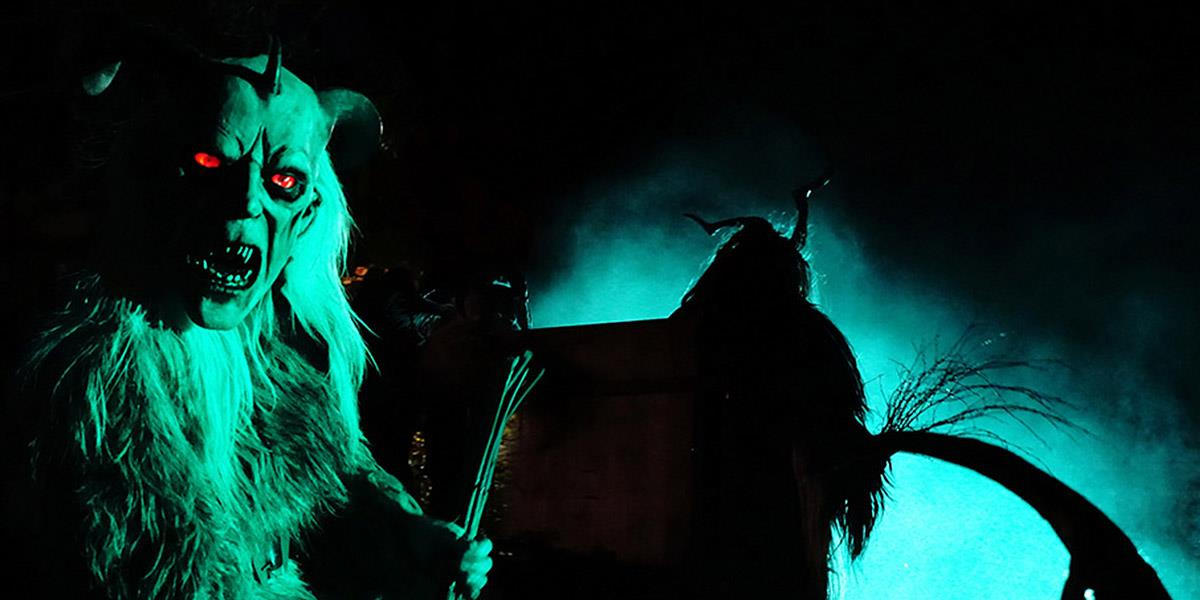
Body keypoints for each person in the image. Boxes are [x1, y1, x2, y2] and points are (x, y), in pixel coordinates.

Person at [6, 31, 491, 599]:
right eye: (209, 161)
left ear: (307, 214)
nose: (244, 204)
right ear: (156, 181)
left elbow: (331, 488)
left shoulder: (283, 347)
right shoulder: (95, 368)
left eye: (283, 181)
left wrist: (407, 538)